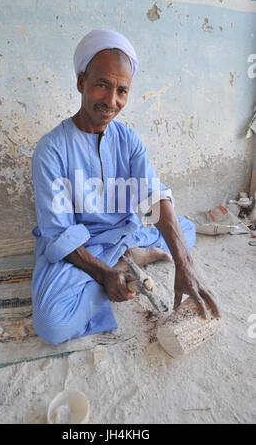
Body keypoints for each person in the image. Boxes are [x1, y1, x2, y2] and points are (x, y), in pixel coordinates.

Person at [31, 29, 220, 346]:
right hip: (80, 248)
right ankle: (127, 261)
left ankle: (132, 255)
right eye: (102, 85)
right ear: (81, 83)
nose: (111, 101)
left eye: (122, 90)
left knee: (183, 232)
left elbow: (153, 197)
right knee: (52, 323)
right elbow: (58, 233)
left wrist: (185, 265)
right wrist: (104, 275)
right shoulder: (51, 149)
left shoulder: (128, 139)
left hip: (124, 232)